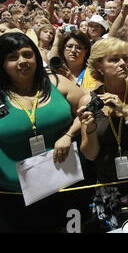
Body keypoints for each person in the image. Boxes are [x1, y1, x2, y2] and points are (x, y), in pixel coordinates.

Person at [0, 32, 85, 232]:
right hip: (13, 197)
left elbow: (90, 106)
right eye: (13, 57)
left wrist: (69, 134)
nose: (22, 61)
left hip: (65, 187)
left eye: (27, 54)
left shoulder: (56, 82)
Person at [77, 37, 128, 231]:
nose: (123, 63)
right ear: (99, 65)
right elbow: (89, 154)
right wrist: (89, 130)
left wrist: (126, 112)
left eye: (124, 58)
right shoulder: (88, 100)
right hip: (108, 187)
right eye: (114, 60)